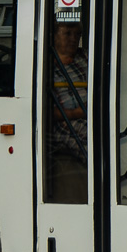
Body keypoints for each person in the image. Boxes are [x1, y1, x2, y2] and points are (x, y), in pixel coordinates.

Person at [46, 20, 88, 203]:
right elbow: (46, 111)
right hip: (63, 122)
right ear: (54, 36)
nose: (73, 40)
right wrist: (78, 112)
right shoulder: (45, 65)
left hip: (89, 114)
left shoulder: (84, 58)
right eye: (67, 34)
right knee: (92, 140)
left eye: (77, 35)